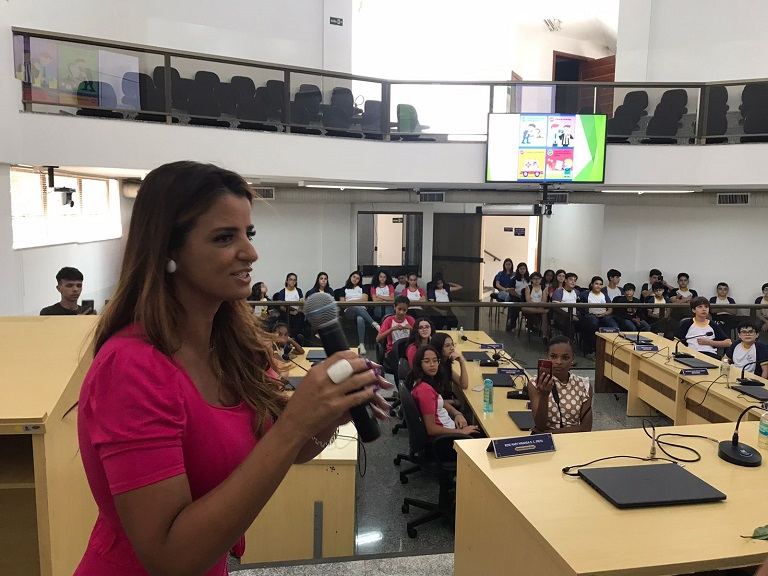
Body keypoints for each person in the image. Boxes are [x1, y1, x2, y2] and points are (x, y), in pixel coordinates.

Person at [73, 161, 389, 576]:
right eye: (225, 237)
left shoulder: (235, 345)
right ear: (168, 250)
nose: (251, 253)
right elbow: (170, 559)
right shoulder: (131, 369)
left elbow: (287, 449)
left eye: (248, 234)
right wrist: (296, 421)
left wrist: (327, 412)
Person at [406, 345, 480, 439]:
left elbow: (437, 402)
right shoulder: (425, 390)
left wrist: (457, 414)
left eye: (435, 360)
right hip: (446, 438)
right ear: (419, 364)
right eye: (427, 361)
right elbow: (431, 429)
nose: (432, 364)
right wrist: (461, 432)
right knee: (483, 436)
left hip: (449, 425)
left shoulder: (424, 381)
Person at [527, 336, 593, 434]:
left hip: (575, 440)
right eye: (553, 357)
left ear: (573, 359)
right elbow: (540, 425)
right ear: (547, 357)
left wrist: (549, 433)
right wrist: (544, 395)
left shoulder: (583, 385)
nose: (559, 362)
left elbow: (586, 428)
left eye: (565, 357)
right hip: (551, 441)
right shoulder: (535, 383)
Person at [339, 270, 380, 355]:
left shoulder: (363, 288)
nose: (355, 279)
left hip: (362, 310)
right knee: (356, 306)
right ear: (350, 277)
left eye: (357, 278)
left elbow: (364, 300)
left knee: (360, 318)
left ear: (359, 280)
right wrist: (356, 302)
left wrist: (349, 301)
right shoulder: (344, 289)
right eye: (354, 277)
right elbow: (342, 304)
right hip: (349, 312)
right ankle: (374, 323)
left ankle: (361, 345)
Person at [430, 332, 469, 409]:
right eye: (447, 346)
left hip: (445, 404)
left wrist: (461, 362)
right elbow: (434, 401)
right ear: (438, 348)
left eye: (452, 344)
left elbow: (464, 385)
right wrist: (453, 402)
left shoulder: (446, 364)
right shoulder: (435, 369)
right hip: (439, 408)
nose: (452, 348)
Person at [581, 276, 617, 356]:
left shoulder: (604, 295)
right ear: (592, 284)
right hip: (591, 315)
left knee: (613, 325)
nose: (598, 286)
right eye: (596, 284)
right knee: (593, 324)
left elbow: (610, 309)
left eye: (600, 284)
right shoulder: (585, 294)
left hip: (604, 315)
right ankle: (593, 349)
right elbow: (580, 306)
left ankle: (611, 349)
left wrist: (604, 314)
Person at [521, 271, 550, 341]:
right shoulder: (528, 288)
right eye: (535, 279)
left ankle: (544, 335)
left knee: (544, 315)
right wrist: (536, 306)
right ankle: (543, 311)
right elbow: (528, 300)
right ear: (531, 280)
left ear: (541, 279)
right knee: (524, 308)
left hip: (540, 306)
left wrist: (539, 306)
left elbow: (544, 301)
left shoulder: (544, 289)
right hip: (530, 307)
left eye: (538, 279)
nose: (537, 280)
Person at [274, 273, 304, 339]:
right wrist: (290, 312)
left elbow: (301, 304)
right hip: (287, 312)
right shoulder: (282, 292)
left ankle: (294, 336)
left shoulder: (299, 291)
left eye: (294, 280)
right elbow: (281, 307)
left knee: (301, 316)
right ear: (287, 281)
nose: (292, 281)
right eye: (290, 279)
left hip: (297, 312)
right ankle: (290, 336)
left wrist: (298, 310)